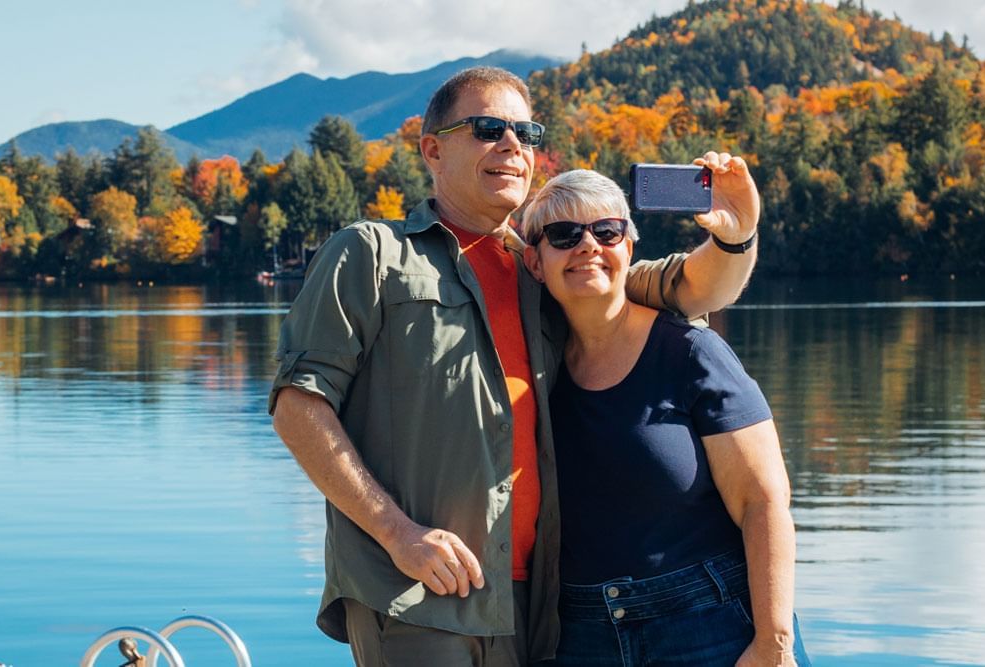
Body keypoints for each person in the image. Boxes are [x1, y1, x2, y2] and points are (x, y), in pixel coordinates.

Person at [269, 66, 760, 666]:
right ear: (433, 149)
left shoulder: (549, 264)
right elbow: (298, 404)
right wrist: (397, 532)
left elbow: (693, 286)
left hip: (534, 604)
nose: (511, 145)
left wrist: (736, 236)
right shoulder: (372, 254)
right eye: (487, 129)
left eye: (525, 133)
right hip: (416, 591)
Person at [517, 169, 809, 666]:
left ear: (628, 246)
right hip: (583, 637)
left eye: (606, 231)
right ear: (535, 262)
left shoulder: (690, 352)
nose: (588, 246)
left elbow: (764, 502)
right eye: (565, 235)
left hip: (712, 625)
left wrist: (774, 644)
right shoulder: (536, 369)